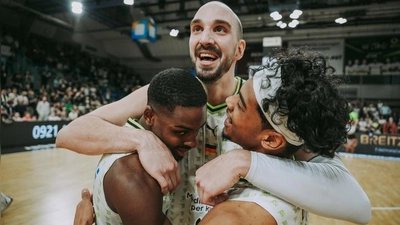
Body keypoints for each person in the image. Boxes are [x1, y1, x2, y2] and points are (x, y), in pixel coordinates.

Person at [57, 1, 371, 225]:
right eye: (197, 29)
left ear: (239, 49)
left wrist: (244, 160)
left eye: (219, 30)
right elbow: (70, 134)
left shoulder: (270, 108)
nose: (205, 37)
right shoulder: (166, 93)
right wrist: (143, 142)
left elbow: (356, 204)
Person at [200, 48, 351, 225]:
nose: (229, 101)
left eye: (240, 105)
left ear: (271, 140)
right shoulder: (294, 191)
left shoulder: (231, 219)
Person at [93, 68, 207, 225]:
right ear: (149, 116)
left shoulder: (125, 136)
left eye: (197, 131)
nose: (192, 142)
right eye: (181, 132)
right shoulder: (135, 177)